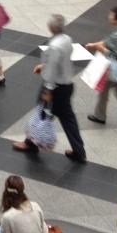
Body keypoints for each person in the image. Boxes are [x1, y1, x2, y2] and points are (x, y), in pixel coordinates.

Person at [26, 14, 86, 162]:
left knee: (42, 111)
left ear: (51, 27)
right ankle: (79, 151)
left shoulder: (54, 46)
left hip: (54, 88)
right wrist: (44, 66)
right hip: (67, 85)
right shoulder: (67, 39)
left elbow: (52, 70)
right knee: (68, 119)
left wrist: (48, 90)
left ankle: (31, 143)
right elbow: (60, 62)